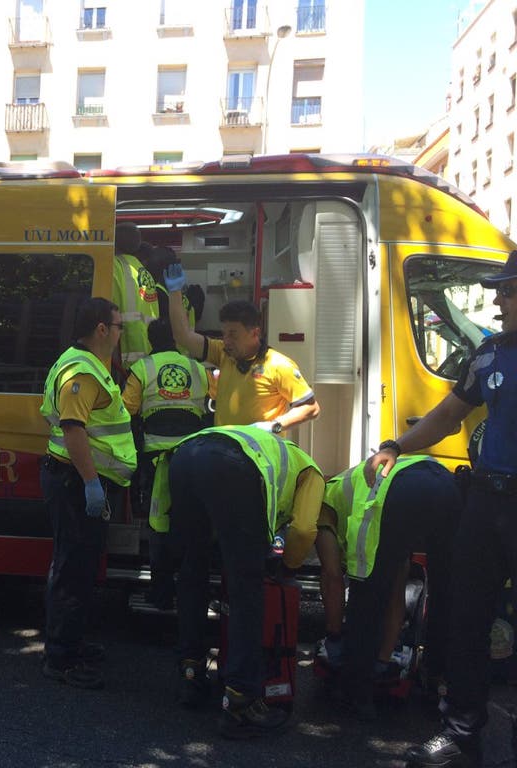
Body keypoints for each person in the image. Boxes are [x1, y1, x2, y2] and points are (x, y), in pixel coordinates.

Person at [370, 251, 517, 767]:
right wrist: (397, 444)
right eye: (499, 289)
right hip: (485, 501)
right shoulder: (490, 355)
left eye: (509, 290)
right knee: (467, 618)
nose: (499, 299)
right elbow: (449, 415)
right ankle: (462, 734)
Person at [167, 424, 323, 738]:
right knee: (246, 589)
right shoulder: (313, 472)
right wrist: (287, 567)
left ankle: (191, 673)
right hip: (231, 466)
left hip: (183, 454)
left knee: (193, 570)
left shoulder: (265, 445)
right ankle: (240, 702)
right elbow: (305, 529)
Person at [39, 297, 137, 689]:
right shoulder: (82, 370)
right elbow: (73, 429)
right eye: (118, 326)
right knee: (71, 570)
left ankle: (72, 645)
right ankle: (60, 658)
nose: (119, 333)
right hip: (74, 483)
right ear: (101, 329)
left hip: (75, 481)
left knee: (80, 569)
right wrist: (93, 483)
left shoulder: (88, 364)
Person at [316, 457, 460, 719]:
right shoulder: (350, 482)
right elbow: (399, 583)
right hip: (445, 484)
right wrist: (384, 658)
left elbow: (333, 578)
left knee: (367, 593)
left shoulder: (324, 506)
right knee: (444, 592)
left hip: (399, 491)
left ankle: (355, 696)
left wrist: (334, 637)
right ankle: (434, 683)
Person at [163, 263, 320, 431]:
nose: (227, 340)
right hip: (226, 447)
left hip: (259, 450)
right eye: (224, 334)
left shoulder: (278, 365)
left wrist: (273, 426)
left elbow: (311, 408)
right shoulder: (223, 353)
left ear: (255, 333)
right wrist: (175, 292)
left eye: (233, 334)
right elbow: (183, 336)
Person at [122, 318, 210, 608]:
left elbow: (127, 410)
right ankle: (192, 591)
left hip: (157, 461)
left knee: (159, 525)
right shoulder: (198, 368)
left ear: (149, 340)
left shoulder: (142, 369)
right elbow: (217, 404)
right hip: (195, 460)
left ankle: (161, 593)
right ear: (177, 338)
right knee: (193, 522)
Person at [113, 223, 159, 367]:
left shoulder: (114, 266)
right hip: (148, 352)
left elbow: (107, 310)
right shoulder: (142, 270)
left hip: (125, 355)